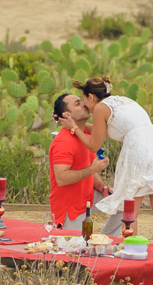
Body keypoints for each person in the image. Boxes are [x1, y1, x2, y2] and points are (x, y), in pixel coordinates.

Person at [55, 76, 153, 238]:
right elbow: (101, 131)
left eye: (84, 101)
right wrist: (74, 126)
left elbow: (94, 145)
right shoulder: (121, 101)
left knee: (130, 211)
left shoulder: (100, 109)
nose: (86, 107)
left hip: (139, 151)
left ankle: (131, 250)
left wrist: (75, 127)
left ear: (91, 97)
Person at [48, 93, 121, 233]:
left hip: (88, 197)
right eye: (77, 104)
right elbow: (62, 179)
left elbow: (105, 131)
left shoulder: (85, 136)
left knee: (123, 204)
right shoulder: (63, 142)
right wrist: (92, 169)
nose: (84, 104)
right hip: (70, 209)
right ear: (67, 115)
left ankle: (106, 239)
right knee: (74, 250)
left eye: (82, 101)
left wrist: (102, 188)